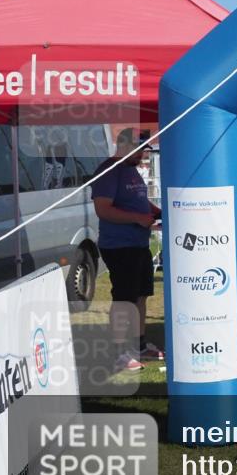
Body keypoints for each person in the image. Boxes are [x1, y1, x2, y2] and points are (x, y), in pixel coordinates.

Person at [91, 128, 164, 373]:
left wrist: (157, 212)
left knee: (141, 296)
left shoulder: (130, 169)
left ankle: (140, 346)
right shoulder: (109, 170)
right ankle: (119, 353)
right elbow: (103, 209)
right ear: (124, 146)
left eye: (144, 150)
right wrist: (137, 218)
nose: (143, 155)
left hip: (139, 244)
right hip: (119, 246)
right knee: (124, 300)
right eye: (139, 150)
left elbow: (138, 200)